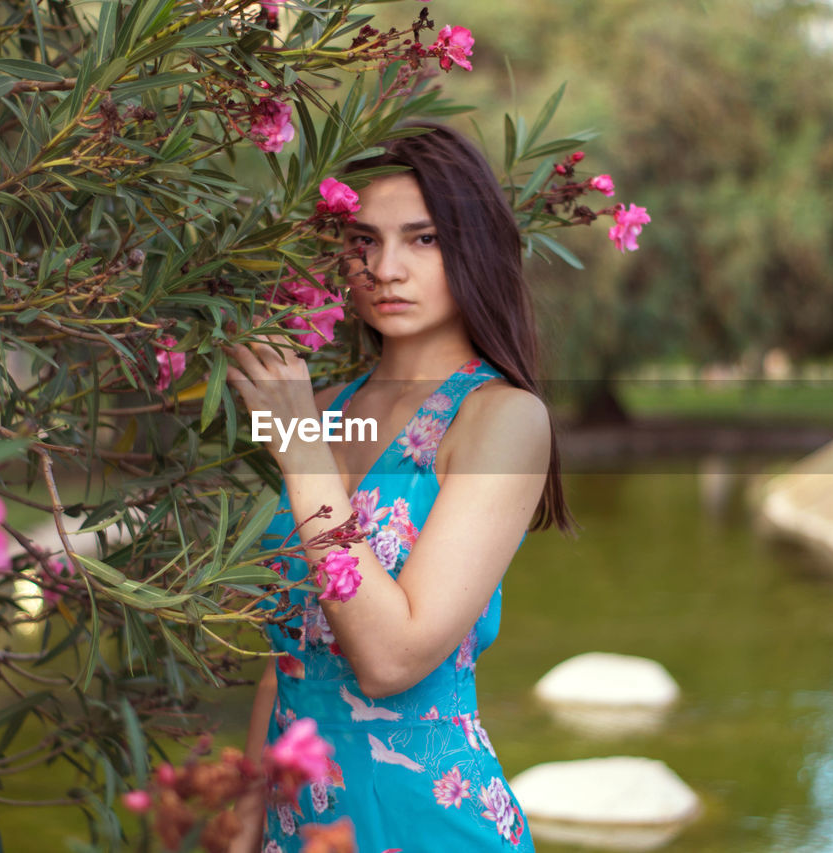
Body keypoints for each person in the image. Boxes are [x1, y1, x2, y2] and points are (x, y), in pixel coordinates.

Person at [223, 123, 574, 853]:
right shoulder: (324, 412)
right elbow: (287, 653)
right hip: (300, 825)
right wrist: (241, 826)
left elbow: (390, 659)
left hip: (428, 821)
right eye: (363, 240)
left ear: (472, 248)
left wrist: (300, 453)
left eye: (422, 239)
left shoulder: (501, 420)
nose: (385, 267)